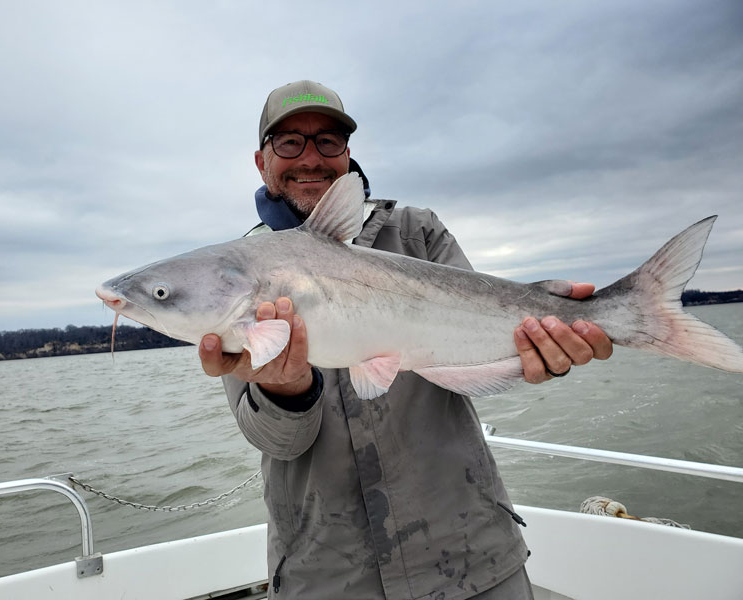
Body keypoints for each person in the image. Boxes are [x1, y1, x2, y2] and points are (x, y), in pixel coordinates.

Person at [199, 81, 613, 599]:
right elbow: (276, 442)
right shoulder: (232, 276)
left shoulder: (417, 232)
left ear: (348, 155)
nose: (310, 158)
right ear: (262, 162)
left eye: (328, 141)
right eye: (289, 143)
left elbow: (480, 342)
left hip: (471, 552)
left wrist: (541, 346)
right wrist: (287, 391)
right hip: (326, 576)